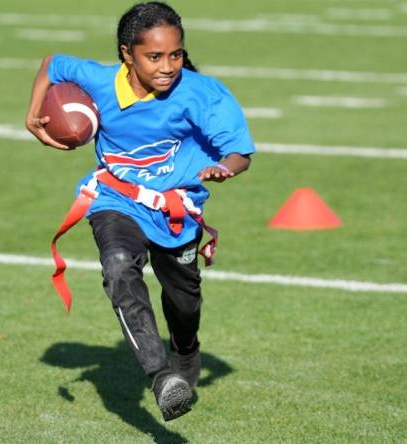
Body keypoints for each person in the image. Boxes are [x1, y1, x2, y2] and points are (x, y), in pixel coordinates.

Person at [25, 1, 254, 422]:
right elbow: (52, 63)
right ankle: (160, 375)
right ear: (127, 54)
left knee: (184, 303)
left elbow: (240, 151)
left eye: (176, 54)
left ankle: (185, 350)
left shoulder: (202, 93)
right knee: (117, 268)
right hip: (117, 198)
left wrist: (226, 167)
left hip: (176, 209)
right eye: (154, 56)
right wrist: (33, 115)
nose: (168, 66)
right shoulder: (99, 80)